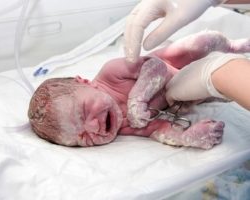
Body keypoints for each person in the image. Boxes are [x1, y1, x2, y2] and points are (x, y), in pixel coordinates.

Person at [28, 31, 249, 149]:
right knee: (217, 90)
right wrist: (187, 138)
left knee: (199, 43)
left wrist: (138, 98)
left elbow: (156, 67)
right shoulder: (122, 126)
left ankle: (232, 45)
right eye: (83, 138)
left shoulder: (110, 74)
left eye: (85, 112)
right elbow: (157, 129)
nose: (93, 126)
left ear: (85, 82)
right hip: (184, 94)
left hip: (174, 64)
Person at [124, 0, 250, 110]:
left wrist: (221, 74)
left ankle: (231, 46)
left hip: (168, 64)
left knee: (204, 42)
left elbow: (151, 65)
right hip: (178, 87)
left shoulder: (109, 75)